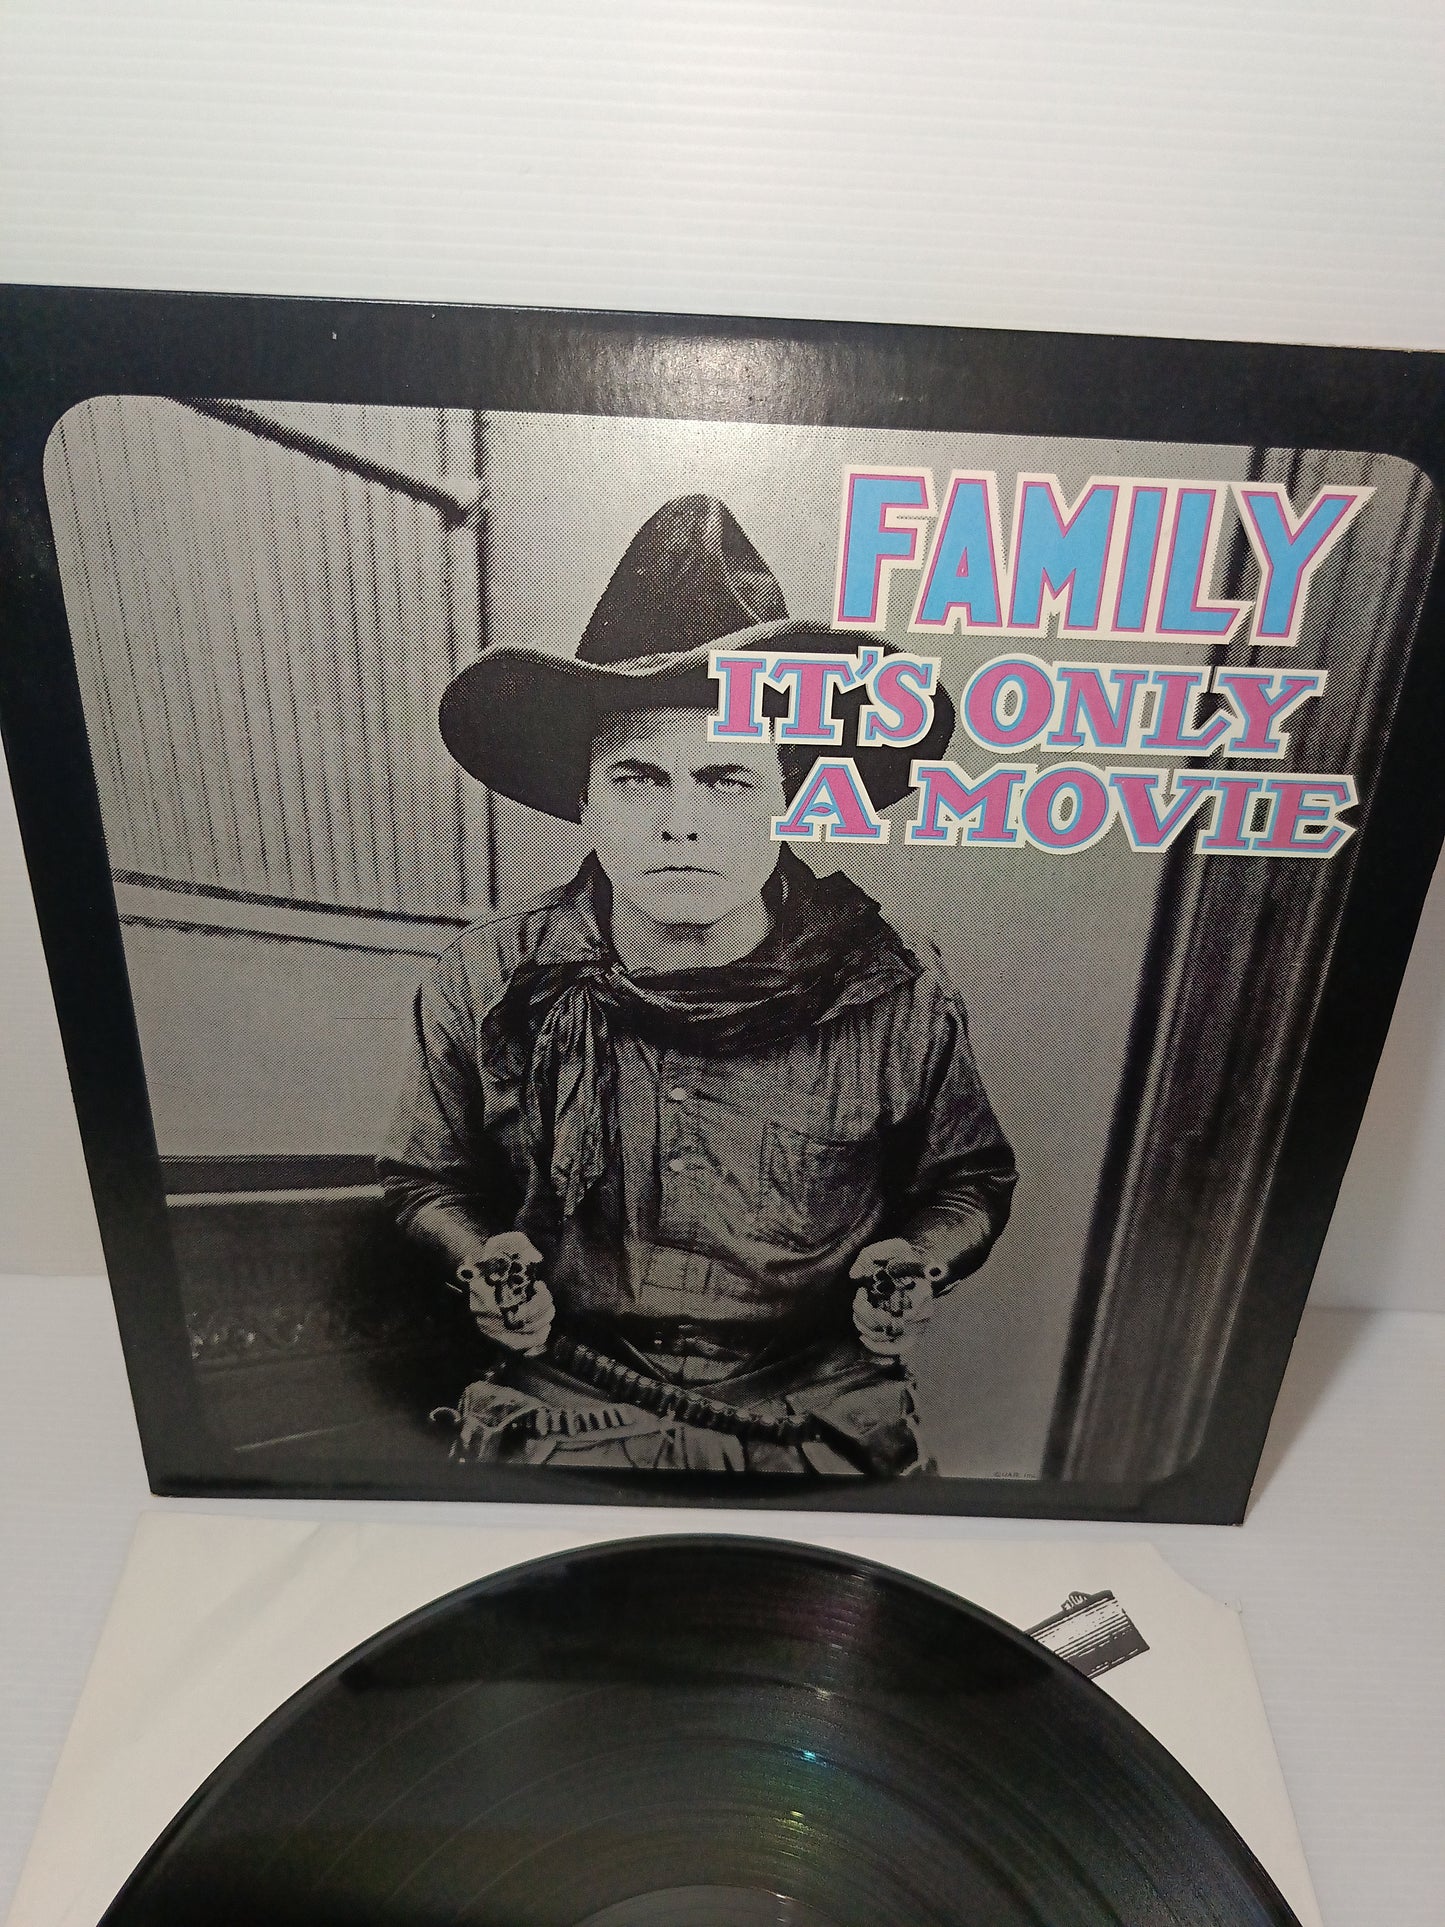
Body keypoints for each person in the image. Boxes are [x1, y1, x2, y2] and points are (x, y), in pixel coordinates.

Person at [379, 495, 1016, 1475]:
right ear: (584, 798)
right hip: (567, 1393)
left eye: (725, 778)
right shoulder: (488, 976)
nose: (679, 823)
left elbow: (966, 1179)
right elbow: (426, 1179)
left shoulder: (894, 985)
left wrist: (915, 1259)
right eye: (637, 778)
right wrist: (481, 1258)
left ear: (787, 792)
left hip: (815, 1408)